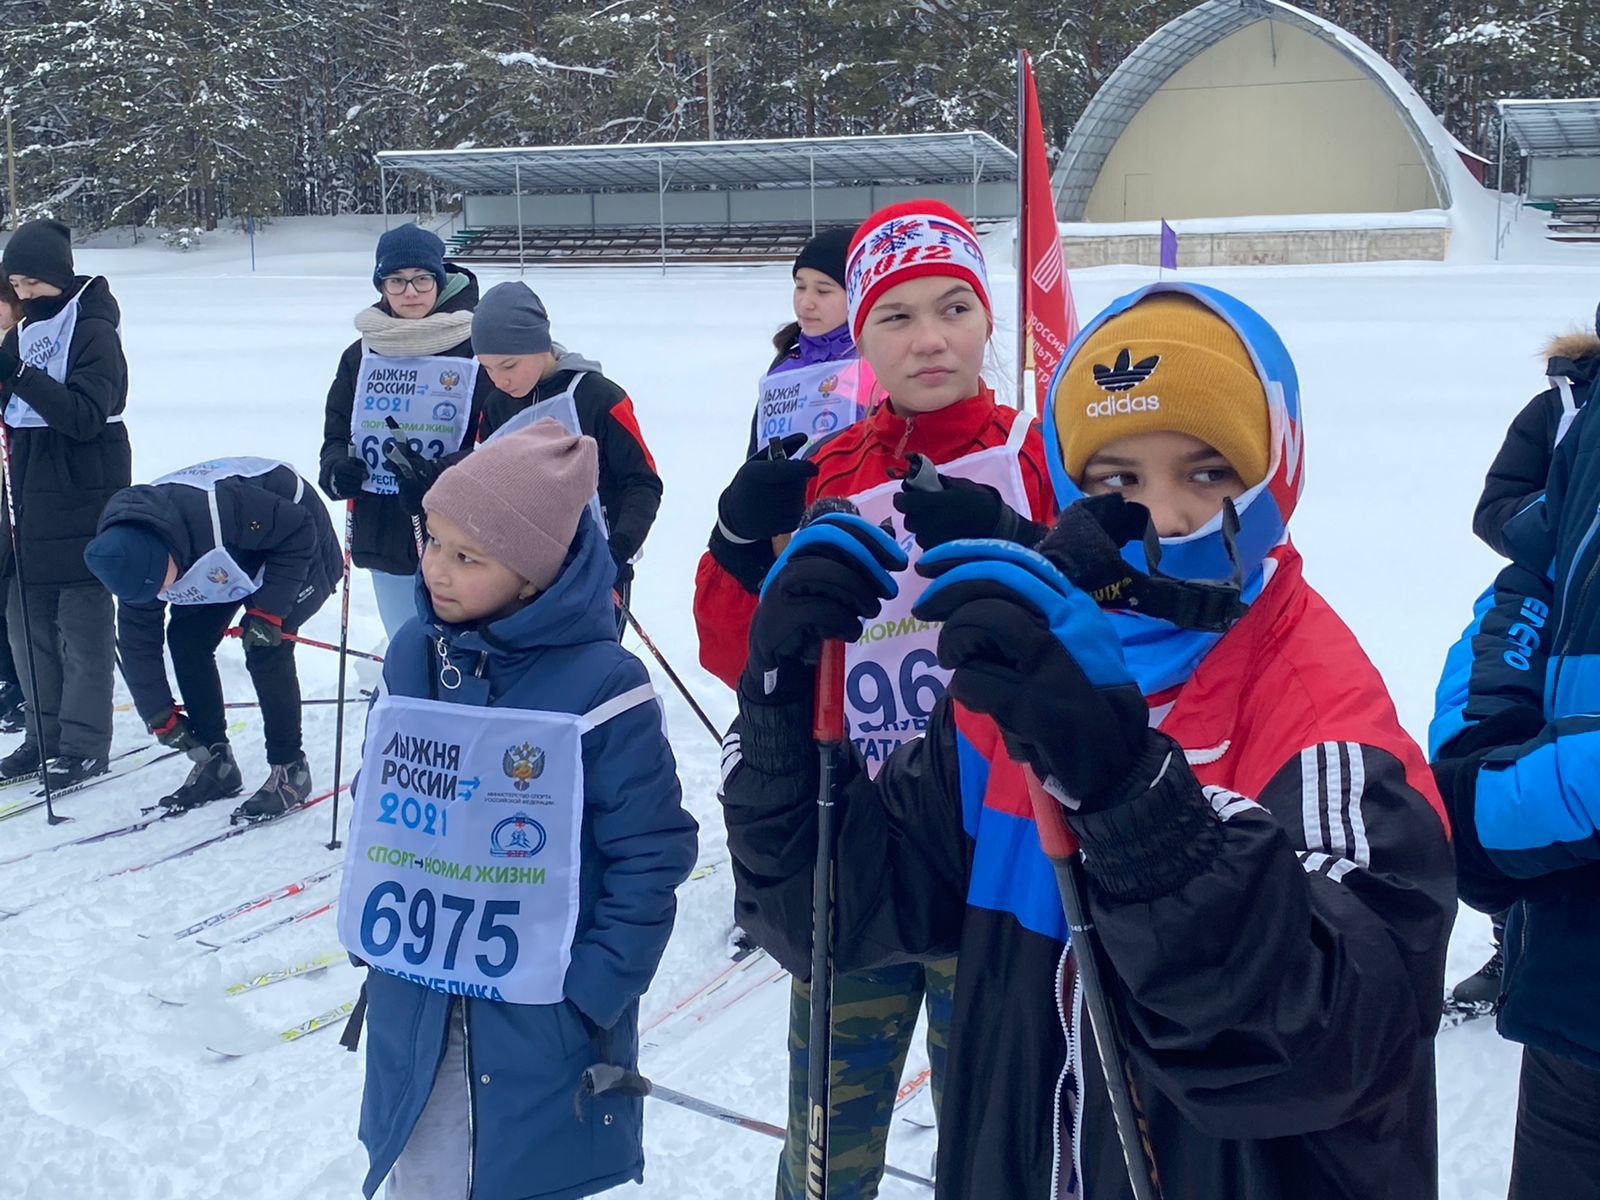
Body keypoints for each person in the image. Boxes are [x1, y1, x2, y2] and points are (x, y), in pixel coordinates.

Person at [721, 280, 1455, 1198]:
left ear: (1276, 470)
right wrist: (785, 709)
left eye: (1209, 472)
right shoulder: (1010, 698)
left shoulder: (1319, 714)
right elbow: (831, 916)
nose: (1169, 519)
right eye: (1118, 481)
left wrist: (1128, 799)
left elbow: (1329, 1036)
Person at [696, 201, 1055, 1199]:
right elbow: (740, 657)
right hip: (852, 837)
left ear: (988, 322)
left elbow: (1110, 636)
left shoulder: (1036, 458)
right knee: (825, 1142)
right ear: (859, 336)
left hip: (996, 851)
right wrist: (736, 546)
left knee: (994, 1132)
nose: (928, 338)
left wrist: (1020, 541)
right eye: (895, 317)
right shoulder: (833, 468)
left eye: (952, 308)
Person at [342, 420, 697, 1200]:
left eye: (468, 556)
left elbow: (653, 850)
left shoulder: (603, 685)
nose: (435, 568)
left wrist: (593, 991)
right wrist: (377, 918)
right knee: (423, 1173)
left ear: (535, 574)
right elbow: (384, 805)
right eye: (432, 540)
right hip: (419, 995)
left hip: (543, 1017)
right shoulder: (411, 656)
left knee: (522, 1176)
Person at [1431, 333, 1600, 1199]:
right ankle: (1509, 943)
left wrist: (1484, 815)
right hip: (1575, 987)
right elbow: (1515, 521)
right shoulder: (1571, 400)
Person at [83, 458, 341, 818]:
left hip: (295, 539)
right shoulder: (128, 556)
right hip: (228, 555)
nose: (162, 593)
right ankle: (216, 761)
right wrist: (159, 713)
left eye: (162, 583)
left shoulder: (218, 512)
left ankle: (291, 769)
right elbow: (137, 642)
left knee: (266, 647)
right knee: (188, 639)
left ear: (166, 555)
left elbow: (299, 530)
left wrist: (267, 612)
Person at [433, 282, 664, 624]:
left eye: (508, 366)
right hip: (518, 572)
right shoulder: (497, 404)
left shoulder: (599, 398)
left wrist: (618, 550)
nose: (499, 380)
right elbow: (482, 479)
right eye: (488, 368)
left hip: (595, 565)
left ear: (540, 346)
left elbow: (643, 483)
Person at [0, 218, 130, 786]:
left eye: (32, 284)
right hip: (27, 489)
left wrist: (20, 373)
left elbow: (83, 416)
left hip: (82, 487)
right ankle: (42, 734)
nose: (24, 296)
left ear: (57, 276)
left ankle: (82, 742)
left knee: (80, 624)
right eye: (16, 286)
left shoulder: (94, 327)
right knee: (25, 619)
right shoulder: (23, 329)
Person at [318, 223, 493, 638]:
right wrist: (337, 470)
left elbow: (500, 439)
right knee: (406, 639)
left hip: (460, 524)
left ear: (440, 279)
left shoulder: (475, 345)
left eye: (421, 279)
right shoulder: (361, 352)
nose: (409, 292)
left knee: (461, 640)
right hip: (386, 526)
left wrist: (442, 469)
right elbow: (337, 433)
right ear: (381, 286)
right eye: (396, 281)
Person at [746, 226, 877, 458]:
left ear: (858, 295)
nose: (806, 302)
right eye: (800, 286)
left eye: (823, 291)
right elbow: (756, 455)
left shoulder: (877, 366)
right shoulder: (786, 364)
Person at [0, 276, 29, 732]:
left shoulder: (27, 343)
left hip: (25, 481)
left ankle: (24, 685)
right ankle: (10, 679)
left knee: (15, 587)